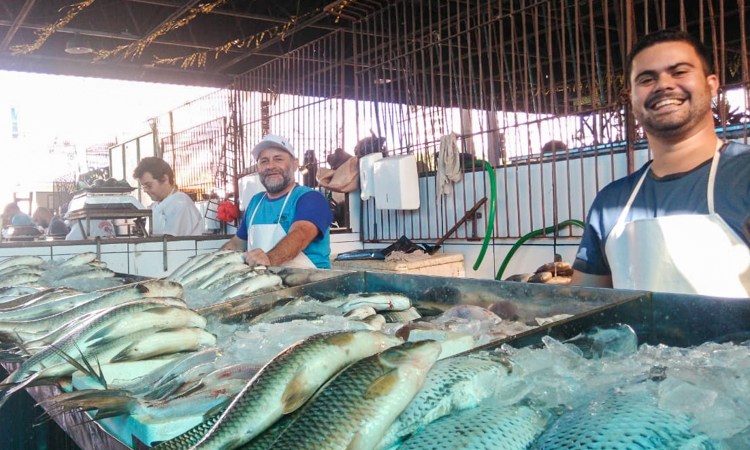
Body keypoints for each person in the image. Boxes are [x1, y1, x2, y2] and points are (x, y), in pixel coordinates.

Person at [571, 30, 750, 297]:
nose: (663, 85)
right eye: (646, 79)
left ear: (711, 84)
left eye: (679, 72)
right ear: (631, 98)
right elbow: (582, 308)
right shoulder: (611, 204)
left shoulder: (743, 176)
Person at [222, 134, 333, 269]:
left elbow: (301, 235)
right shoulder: (255, 202)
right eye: (264, 161)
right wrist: (211, 263)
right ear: (258, 168)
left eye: (278, 159)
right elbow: (236, 244)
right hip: (266, 285)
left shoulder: (311, 199)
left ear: (295, 164)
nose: (270, 166)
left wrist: (269, 258)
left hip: (308, 284)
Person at [133, 157, 204, 236]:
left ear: (165, 179)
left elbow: (169, 241)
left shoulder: (180, 203)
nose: (145, 190)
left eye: (149, 185)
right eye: (144, 187)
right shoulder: (157, 204)